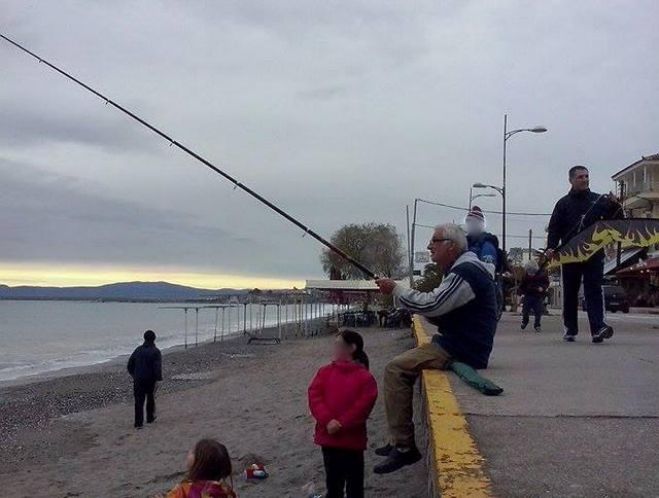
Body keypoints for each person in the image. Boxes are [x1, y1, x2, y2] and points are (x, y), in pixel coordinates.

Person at [373, 223, 497, 474]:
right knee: (399, 366)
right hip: (459, 341)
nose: (429, 246)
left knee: (395, 369)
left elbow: (434, 305)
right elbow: (443, 310)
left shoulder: (466, 271)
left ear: (451, 246)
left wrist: (396, 290)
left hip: (462, 347)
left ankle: (404, 447)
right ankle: (398, 438)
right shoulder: (461, 268)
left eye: (435, 241)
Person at [546, 165, 623, 343]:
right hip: (570, 253)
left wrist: (615, 205)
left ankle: (598, 328)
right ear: (571, 180)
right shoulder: (563, 203)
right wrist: (551, 247)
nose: (585, 179)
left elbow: (617, 219)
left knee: (594, 288)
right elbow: (554, 228)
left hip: (594, 251)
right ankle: (570, 328)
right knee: (570, 291)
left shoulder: (599, 201)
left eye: (586, 176)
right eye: (580, 177)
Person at [308, 330, 378, 498]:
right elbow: (314, 397)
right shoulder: (324, 372)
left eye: (338, 344)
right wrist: (328, 421)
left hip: (352, 440)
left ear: (351, 348)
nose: (335, 348)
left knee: (355, 486)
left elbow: (364, 405)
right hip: (329, 438)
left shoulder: (365, 377)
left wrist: (341, 423)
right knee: (333, 485)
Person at [465, 206, 505, 317]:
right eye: (468, 222)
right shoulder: (465, 243)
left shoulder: (486, 244)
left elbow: (488, 270)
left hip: (479, 293)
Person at [162, 439, 236, 498]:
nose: (189, 451)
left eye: (193, 452)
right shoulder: (226, 491)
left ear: (200, 464)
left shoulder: (184, 489)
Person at [127, 330, 162, 428]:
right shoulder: (156, 351)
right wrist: (158, 379)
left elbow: (130, 364)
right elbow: (157, 367)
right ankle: (150, 417)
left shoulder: (138, 350)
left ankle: (138, 423)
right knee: (150, 397)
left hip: (138, 378)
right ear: (154, 339)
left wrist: (134, 374)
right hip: (150, 379)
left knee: (138, 400)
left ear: (144, 338)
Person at [518, 260, 549, 332]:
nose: (531, 274)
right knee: (525, 311)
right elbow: (522, 285)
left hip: (537, 296)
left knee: (538, 311)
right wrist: (520, 293)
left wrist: (542, 288)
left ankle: (537, 325)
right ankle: (525, 321)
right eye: (529, 272)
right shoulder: (525, 276)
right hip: (528, 295)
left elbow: (546, 282)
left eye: (532, 272)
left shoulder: (541, 275)